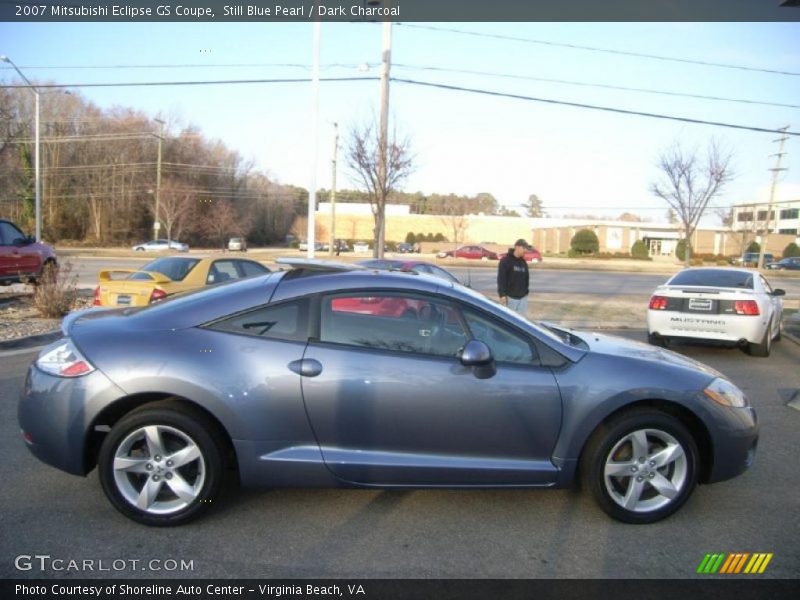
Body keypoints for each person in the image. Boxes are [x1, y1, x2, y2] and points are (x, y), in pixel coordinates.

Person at [497, 238, 531, 316]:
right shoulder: (505, 261)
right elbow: (501, 279)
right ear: (517, 247)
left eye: (526, 249)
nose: (525, 250)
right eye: (524, 248)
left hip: (523, 299)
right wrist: (502, 295)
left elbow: (526, 278)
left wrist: (526, 292)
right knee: (509, 321)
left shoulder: (523, 262)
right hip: (510, 298)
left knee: (522, 322)